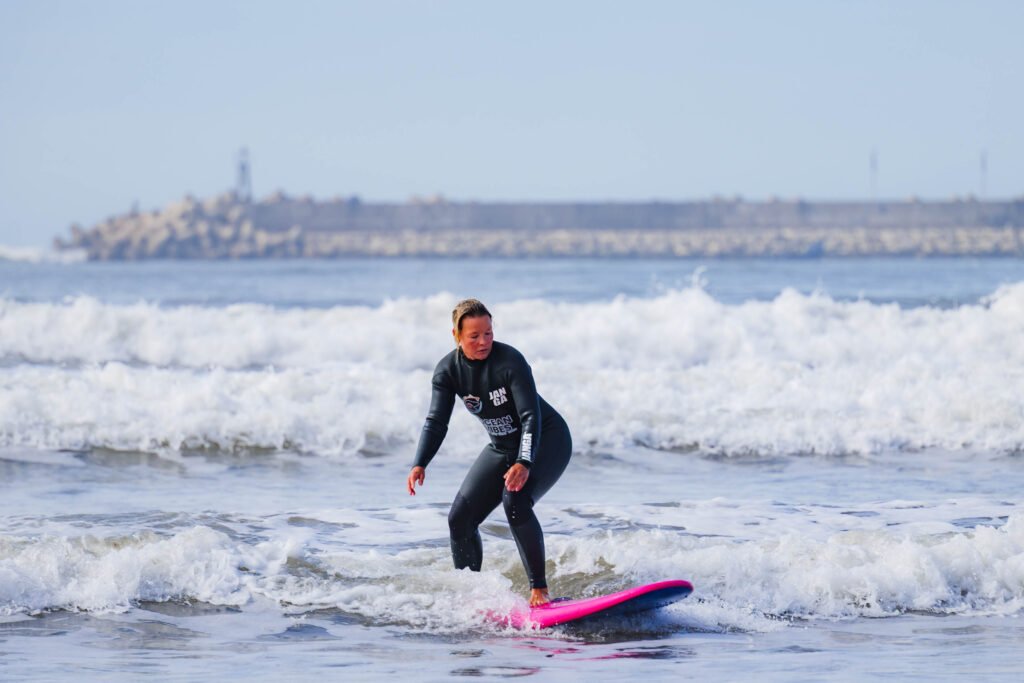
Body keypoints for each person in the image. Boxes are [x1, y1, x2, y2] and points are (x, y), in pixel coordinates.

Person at [406, 299, 572, 607]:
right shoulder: (447, 371)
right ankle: (471, 597)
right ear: (456, 335)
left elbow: (529, 417)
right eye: (474, 336)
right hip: (501, 447)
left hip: (546, 440)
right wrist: (420, 462)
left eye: (488, 333)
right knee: (459, 519)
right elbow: (436, 421)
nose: (483, 342)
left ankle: (540, 591)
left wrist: (524, 461)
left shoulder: (510, 362)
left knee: (516, 501)